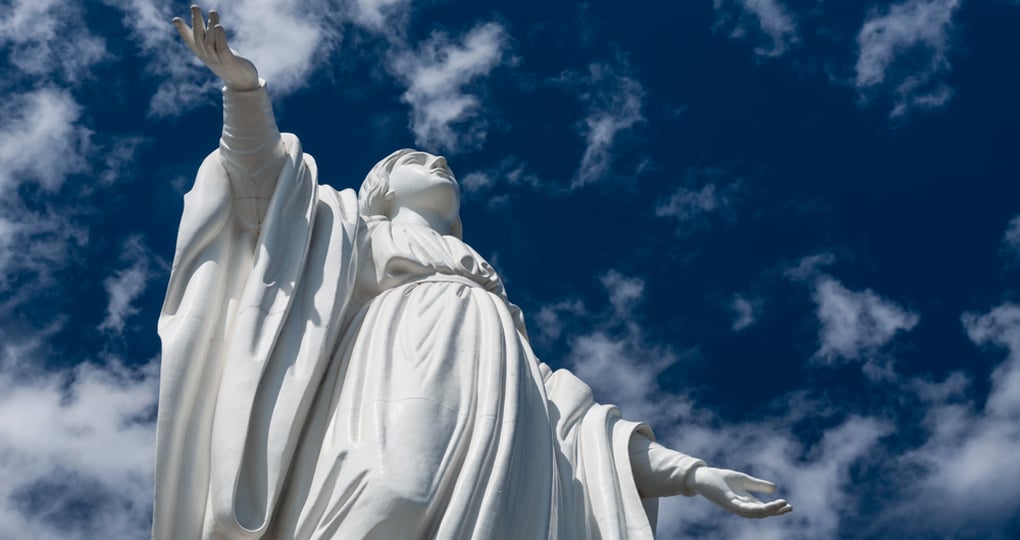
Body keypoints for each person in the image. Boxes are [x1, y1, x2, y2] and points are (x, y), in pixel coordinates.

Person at [152, 6, 793, 539]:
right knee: (393, 491)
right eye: (414, 158)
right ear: (380, 188)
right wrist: (244, 93)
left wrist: (690, 475)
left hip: (494, 385)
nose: (436, 161)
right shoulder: (348, 227)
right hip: (397, 349)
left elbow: (578, 427)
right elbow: (263, 187)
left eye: (440, 162)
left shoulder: (496, 308)